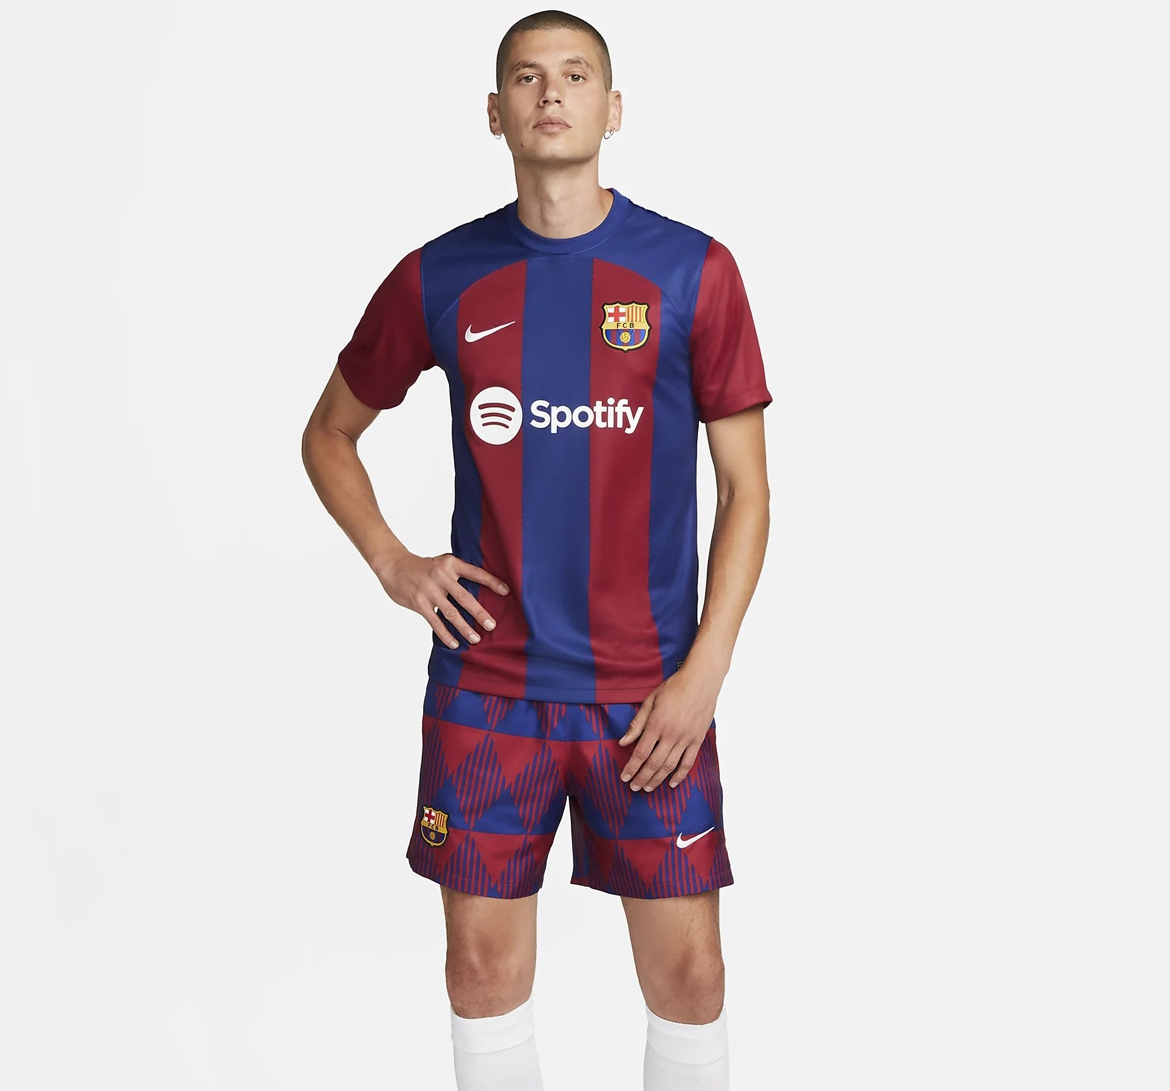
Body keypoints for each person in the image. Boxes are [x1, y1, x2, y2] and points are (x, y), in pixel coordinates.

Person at [302, 10, 772, 1089]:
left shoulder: (693, 270)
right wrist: (395, 561)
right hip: (489, 689)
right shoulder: (439, 276)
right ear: (494, 111)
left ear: (614, 108)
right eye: (525, 76)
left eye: (574, 74)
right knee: (480, 971)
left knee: (691, 976)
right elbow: (328, 432)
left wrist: (706, 670)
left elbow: (748, 489)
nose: (550, 92)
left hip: (649, 696)